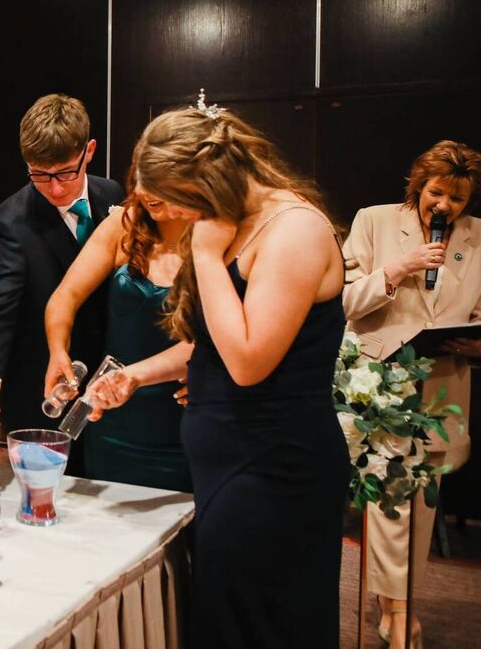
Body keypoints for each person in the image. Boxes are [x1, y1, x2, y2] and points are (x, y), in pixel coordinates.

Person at [86, 105, 348, 648]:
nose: (167, 216)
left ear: (202, 181)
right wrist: (136, 376)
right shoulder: (235, 222)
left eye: (167, 200)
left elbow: (249, 361)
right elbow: (212, 342)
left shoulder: (292, 229)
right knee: (224, 624)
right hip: (231, 464)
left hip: (276, 469)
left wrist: (204, 256)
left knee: (260, 629)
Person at [341, 139, 481, 649]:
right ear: (419, 185)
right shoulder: (373, 222)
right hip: (378, 386)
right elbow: (344, 301)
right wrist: (397, 269)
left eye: (458, 199)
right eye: (437, 193)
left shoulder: (480, 239)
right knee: (388, 501)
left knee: (419, 505)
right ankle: (398, 613)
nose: (445, 206)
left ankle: (397, 601)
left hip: (443, 391)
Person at [0, 94, 123, 473]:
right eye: (39, 174)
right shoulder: (11, 224)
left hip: (110, 394)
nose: (54, 189)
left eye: (66, 173)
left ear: (89, 151)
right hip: (43, 397)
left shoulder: (113, 195)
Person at [43, 167, 191, 492]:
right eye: (140, 181)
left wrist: (210, 369)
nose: (146, 192)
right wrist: (57, 350)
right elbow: (64, 298)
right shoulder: (124, 225)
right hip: (111, 410)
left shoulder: (212, 233)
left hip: (181, 421)